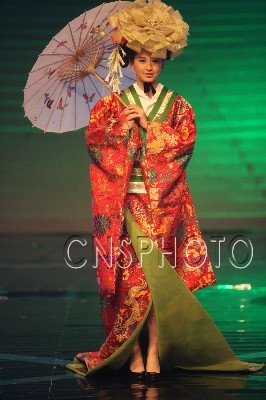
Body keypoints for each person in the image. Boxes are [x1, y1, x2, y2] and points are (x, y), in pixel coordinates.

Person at [66, 0, 264, 378]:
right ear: (129, 61)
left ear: (164, 61)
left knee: (159, 282)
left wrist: (150, 129)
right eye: (142, 59)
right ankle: (135, 352)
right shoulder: (111, 106)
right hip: (128, 204)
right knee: (132, 281)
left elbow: (185, 144)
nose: (149, 66)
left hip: (165, 205)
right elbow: (96, 146)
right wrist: (120, 132)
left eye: (156, 60)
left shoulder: (179, 106)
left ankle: (154, 350)